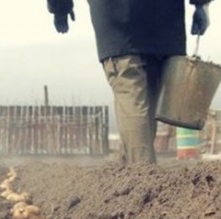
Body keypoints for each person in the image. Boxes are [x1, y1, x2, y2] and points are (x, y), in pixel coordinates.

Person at [46, 0, 212, 164]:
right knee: (148, 107)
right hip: (164, 20)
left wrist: (60, 7)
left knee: (132, 99)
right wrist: (201, 5)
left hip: (119, 24)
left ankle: (144, 176)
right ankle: (132, 173)